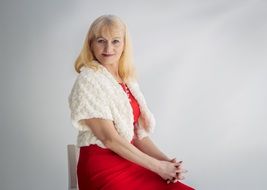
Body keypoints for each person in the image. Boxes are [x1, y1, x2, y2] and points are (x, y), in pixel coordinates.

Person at [68, 14, 195, 190]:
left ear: (124, 44)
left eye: (115, 41)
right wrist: (158, 167)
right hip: (102, 167)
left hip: (129, 160)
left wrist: (167, 163)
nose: (108, 48)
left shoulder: (127, 79)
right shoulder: (89, 79)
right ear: (91, 43)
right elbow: (110, 139)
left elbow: (137, 135)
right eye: (101, 41)